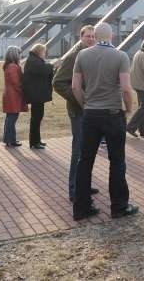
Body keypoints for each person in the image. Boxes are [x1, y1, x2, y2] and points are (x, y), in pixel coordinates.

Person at [71, 22, 137, 220]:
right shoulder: (120, 56)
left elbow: (75, 87)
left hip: (91, 114)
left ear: (95, 35)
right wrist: (129, 108)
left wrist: (86, 104)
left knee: (85, 161)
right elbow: (126, 88)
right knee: (116, 160)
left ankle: (81, 208)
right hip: (112, 113)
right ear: (112, 36)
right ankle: (118, 206)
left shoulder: (82, 55)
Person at [52, 25, 98, 202]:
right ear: (81, 38)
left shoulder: (92, 55)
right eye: (88, 37)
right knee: (78, 151)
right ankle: (74, 189)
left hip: (92, 111)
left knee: (88, 150)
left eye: (94, 37)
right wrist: (80, 99)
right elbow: (58, 83)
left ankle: (84, 185)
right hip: (78, 112)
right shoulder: (73, 57)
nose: (91, 39)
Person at [22, 43, 54, 149]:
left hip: (37, 94)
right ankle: (34, 142)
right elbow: (44, 69)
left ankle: (37, 140)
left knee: (37, 118)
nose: (45, 54)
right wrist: (53, 65)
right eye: (44, 52)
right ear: (39, 52)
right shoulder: (34, 61)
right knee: (36, 119)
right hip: (36, 95)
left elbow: (44, 70)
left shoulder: (34, 60)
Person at [2, 46, 26, 147]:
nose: (20, 56)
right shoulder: (13, 66)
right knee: (12, 118)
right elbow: (16, 82)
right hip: (13, 95)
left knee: (10, 118)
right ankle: (10, 140)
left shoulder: (10, 65)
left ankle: (9, 139)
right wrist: (24, 90)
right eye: (19, 53)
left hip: (10, 94)